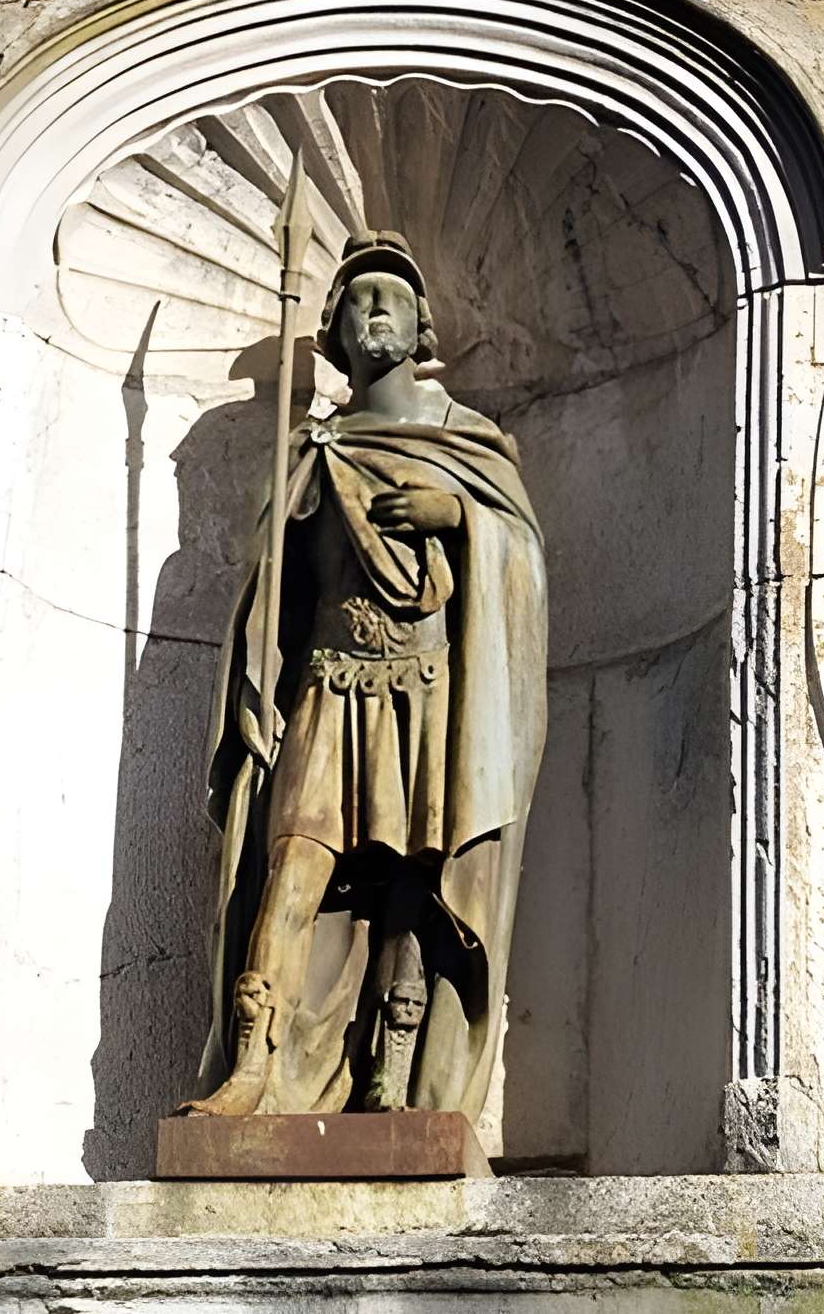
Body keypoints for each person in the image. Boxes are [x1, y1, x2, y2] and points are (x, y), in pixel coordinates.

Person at [185, 232, 547, 1121]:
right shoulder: (313, 448)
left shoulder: (471, 445)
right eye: (356, 300)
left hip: (429, 691)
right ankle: (253, 1067)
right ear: (335, 332)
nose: (373, 311)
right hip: (329, 685)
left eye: (389, 297)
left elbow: (523, 572)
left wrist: (460, 517)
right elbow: (270, 591)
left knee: (416, 881)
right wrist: (294, 509)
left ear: (421, 324)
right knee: (294, 863)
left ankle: (396, 1072)